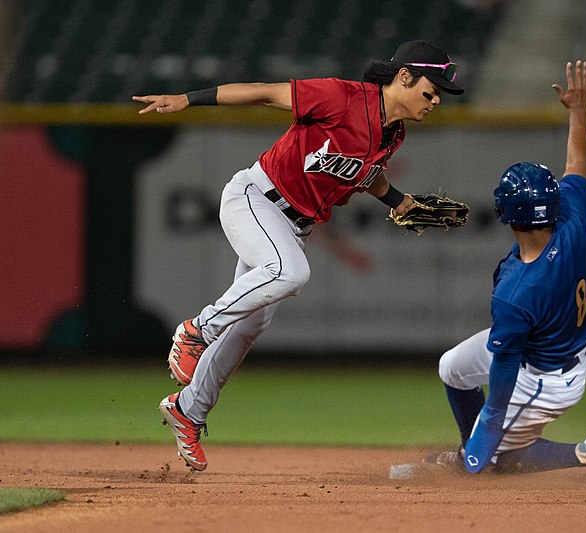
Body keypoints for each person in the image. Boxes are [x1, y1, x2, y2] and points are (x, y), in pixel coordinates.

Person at [132, 40, 464, 471]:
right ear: (404, 77)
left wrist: (398, 202)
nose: (435, 99)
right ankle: (195, 331)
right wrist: (187, 99)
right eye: (431, 88)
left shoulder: (393, 133)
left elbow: (367, 175)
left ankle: (188, 410)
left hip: (293, 225)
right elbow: (263, 91)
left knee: (251, 322)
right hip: (256, 198)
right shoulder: (342, 97)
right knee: (289, 273)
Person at [428, 61, 586, 479]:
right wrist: (578, 111)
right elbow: (578, 163)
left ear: (506, 213)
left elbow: (498, 397)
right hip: (559, 344)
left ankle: (585, 451)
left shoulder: (516, 293)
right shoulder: (572, 222)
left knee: (496, 462)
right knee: (452, 366)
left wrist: (476, 455)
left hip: (547, 376)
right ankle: (475, 448)